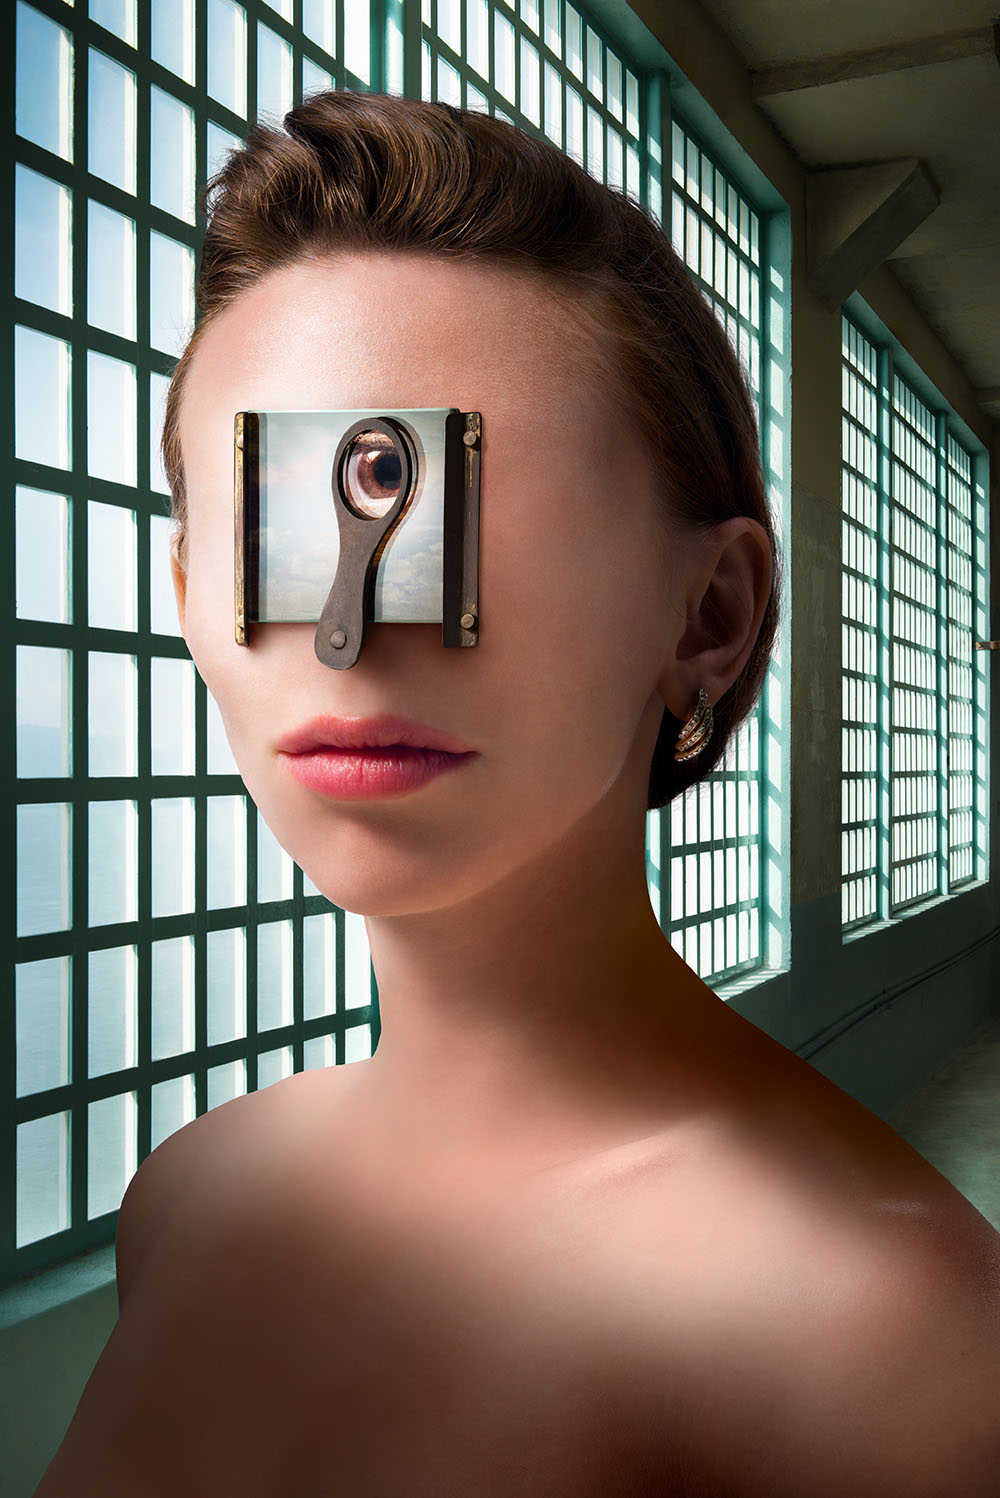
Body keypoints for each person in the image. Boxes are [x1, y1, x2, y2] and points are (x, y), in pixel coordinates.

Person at [36, 91, 999, 1497]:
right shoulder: (188, 1195)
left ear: (710, 616)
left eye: (456, 514)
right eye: (273, 527)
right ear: (188, 596)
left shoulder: (887, 1334)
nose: (356, 634)